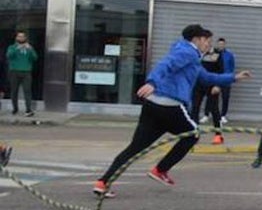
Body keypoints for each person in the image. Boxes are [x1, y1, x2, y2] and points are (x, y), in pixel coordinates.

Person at [92, 24, 251, 197]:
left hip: (152, 106)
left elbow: (207, 78)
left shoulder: (190, 57)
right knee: (193, 135)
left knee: (135, 148)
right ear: (196, 40)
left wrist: (233, 77)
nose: (208, 45)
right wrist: (152, 82)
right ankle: (160, 170)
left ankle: (102, 182)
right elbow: (166, 64)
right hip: (169, 105)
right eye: (207, 41)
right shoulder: (187, 52)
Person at [192, 40, 225, 144]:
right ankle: (194, 133)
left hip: (212, 85)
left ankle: (218, 135)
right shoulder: (197, 54)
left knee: (214, 110)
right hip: (198, 85)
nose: (204, 45)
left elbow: (221, 71)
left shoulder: (216, 55)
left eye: (207, 42)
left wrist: (218, 85)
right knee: (195, 108)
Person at [7, 30, 38, 117]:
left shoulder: (29, 48)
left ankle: (28, 110)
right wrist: (17, 48)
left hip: (26, 72)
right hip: (14, 71)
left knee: (27, 91)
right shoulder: (12, 47)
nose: (21, 38)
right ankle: (15, 108)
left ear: (25, 38)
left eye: (22, 36)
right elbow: (9, 55)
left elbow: (35, 58)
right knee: (14, 91)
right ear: (16, 38)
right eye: (19, 36)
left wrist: (30, 49)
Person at [215, 38, 236, 124]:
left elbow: (232, 67)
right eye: (219, 44)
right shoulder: (213, 54)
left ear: (225, 45)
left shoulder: (229, 55)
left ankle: (223, 115)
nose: (221, 45)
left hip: (226, 79)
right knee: (213, 98)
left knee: (225, 97)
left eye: (222, 44)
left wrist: (230, 77)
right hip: (216, 78)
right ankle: (210, 115)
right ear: (217, 44)